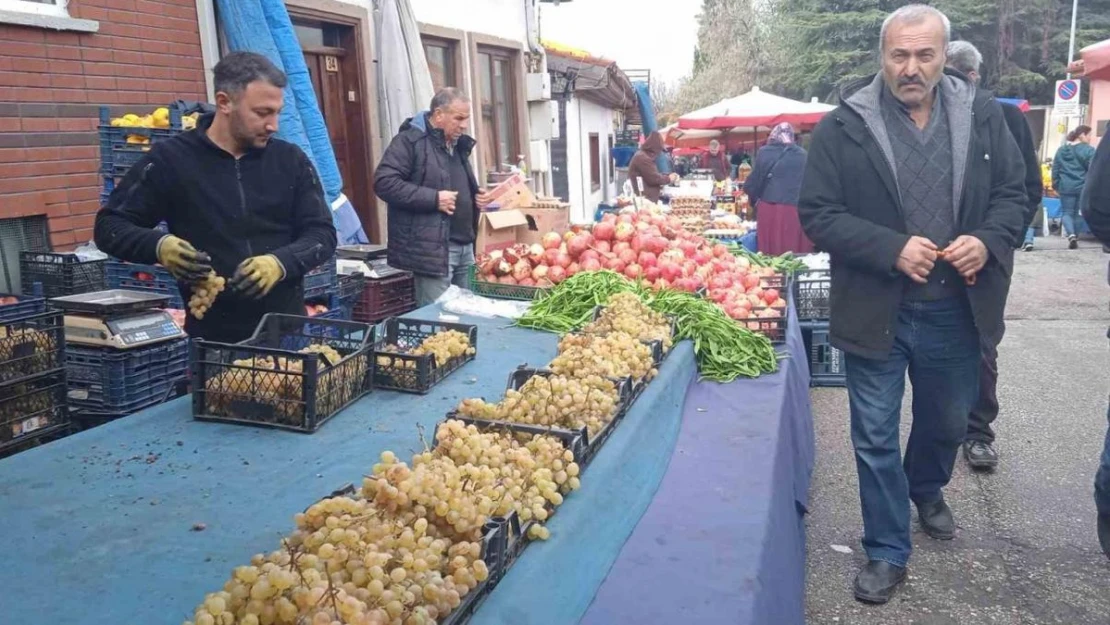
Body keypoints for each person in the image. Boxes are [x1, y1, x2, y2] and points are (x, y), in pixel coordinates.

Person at [798, 5, 1025, 603]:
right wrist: (891, 248)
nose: (911, 67)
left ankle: (926, 486)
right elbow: (817, 214)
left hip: (957, 306)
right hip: (876, 308)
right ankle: (886, 548)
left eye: (925, 55)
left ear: (944, 56)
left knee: (947, 422)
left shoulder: (981, 116)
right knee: (873, 434)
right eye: (899, 54)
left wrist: (989, 239)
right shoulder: (843, 126)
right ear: (883, 56)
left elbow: (1014, 192)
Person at [94, 52, 337, 343]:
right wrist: (159, 246)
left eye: (277, 112)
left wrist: (280, 262)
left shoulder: (290, 160)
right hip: (213, 338)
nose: (273, 124)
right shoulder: (171, 160)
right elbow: (109, 227)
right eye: (262, 113)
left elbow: (322, 233)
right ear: (224, 102)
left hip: (287, 330)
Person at [945, 40, 1043, 470]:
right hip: (936, 254)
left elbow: (1025, 187)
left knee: (983, 341)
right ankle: (943, 428)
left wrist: (998, 243)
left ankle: (978, 432)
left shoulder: (1004, 117)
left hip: (988, 254)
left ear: (972, 78)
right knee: (933, 340)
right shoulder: (927, 121)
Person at [373, 88, 491, 307]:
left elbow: (451, 181)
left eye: (466, 118)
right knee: (438, 322)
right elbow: (384, 183)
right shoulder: (409, 141)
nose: (464, 125)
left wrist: (475, 196)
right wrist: (434, 199)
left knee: (467, 316)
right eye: (459, 118)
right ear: (438, 115)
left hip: (465, 246)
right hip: (434, 252)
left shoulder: (457, 145)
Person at [744, 123, 813, 256]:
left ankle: (772, 273)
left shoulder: (764, 152)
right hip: (796, 209)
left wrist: (752, 202)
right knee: (793, 247)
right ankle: (793, 274)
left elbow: (755, 182)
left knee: (771, 249)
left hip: (770, 208)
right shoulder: (803, 155)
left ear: (774, 136)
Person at [1053, 125, 1096, 249]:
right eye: (1089, 135)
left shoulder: (1061, 150)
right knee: (1078, 213)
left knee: (1066, 212)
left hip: (1065, 186)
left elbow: (1056, 169)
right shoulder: (1089, 150)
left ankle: (1071, 235)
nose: (1090, 138)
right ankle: (1075, 236)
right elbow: (1093, 169)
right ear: (1082, 135)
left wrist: (1056, 184)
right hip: (1082, 186)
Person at [628, 131, 678, 203]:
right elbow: (654, 178)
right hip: (645, 201)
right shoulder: (643, 158)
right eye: (659, 150)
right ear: (654, 148)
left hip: (646, 199)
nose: (659, 153)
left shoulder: (643, 156)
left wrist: (665, 176)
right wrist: (669, 178)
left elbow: (650, 175)